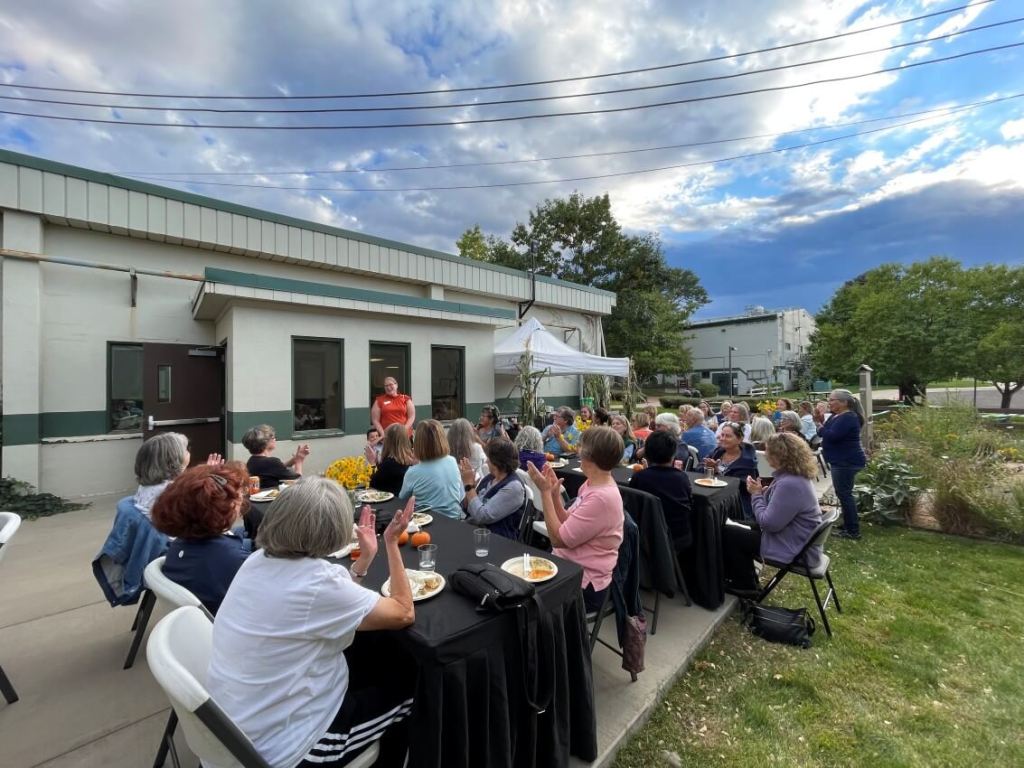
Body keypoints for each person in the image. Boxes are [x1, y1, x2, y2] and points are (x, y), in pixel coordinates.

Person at [208, 479, 416, 768]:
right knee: (413, 688)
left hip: (239, 728)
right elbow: (404, 612)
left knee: (368, 662)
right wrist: (392, 543)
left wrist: (364, 560)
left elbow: (324, 608)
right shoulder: (316, 584)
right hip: (292, 746)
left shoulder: (256, 560)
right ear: (335, 530)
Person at [527, 426, 625, 611]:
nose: (577, 449)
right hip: (567, 568)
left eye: (580, 445)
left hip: (583, 583)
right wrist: (556, 496)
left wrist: (545, 493)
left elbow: (558, 540)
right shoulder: (590, 484)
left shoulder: (602, 498)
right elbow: (567, 524)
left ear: (590, 456)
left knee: (522, 607)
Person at [722, 433, 824, 594]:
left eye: (768, 451)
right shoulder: (793, 476)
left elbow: (768, 524)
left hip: (794, 548)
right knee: (731, 523)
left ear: (779, 456)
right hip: (794, 538)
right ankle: (742, 577)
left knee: (728, 533)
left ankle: (745, 585)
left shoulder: (790, 483)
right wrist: (763, 494)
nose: (765, 454)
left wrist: (756, 495)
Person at [150, 463, 252, 615]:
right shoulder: (238, 562)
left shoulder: (178, 544)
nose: (241, 502)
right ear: (223, 509)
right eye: (238, 497)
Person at [628, 430, 693, 552]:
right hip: (679, 536)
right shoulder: (682, 477)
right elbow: (689, 503)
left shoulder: (640, 477)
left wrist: (646, 472)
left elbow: (633, 506)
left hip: (648, 537)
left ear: (647, 453)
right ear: (673, 454)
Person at [819, 389, 867, 539]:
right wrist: (822, 426)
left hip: (846, 461)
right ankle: (848, 524)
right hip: (840, 460)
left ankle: (853, 531)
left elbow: (831, 435)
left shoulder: (849, 417)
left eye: (833, 400)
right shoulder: (836, 416)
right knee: (843, 494)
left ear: (844, 402)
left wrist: (821, 427)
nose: (829, 402)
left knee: (845, 494)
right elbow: (822, 433)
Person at [461, 438, 529, 540]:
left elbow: (482, 516)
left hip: (496, 541)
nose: (487, 461)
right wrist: (471, 488)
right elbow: (466, 508)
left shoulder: (514, 488)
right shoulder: (490, 478)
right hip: (476, 532)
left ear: (496, 462)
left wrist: (469, 487)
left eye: (489, 458)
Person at [399, 420, 463, 519]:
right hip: (455, 519)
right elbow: (460, 495)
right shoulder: (452, 461)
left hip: (426, 523)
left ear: (418, 444)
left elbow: (402, 500)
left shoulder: (413, 472)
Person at [704, 422, 759, 519]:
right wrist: (708, 467)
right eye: (722, 435)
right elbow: (701, 466)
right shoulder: (718, 451)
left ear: (740, 439)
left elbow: (738, 486)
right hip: (713, 496)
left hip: (737, 503)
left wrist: (717, 472)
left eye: (728, 436)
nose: (723, 439)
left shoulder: (747, 461)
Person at [243, 424, 310, 489]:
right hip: (272, 500)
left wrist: (294, 460)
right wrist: (299, 460)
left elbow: (277, 468)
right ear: (265, 442)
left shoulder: (252, 461)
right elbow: (297, 482)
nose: (275, 439)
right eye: (273, 438)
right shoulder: (271, 462)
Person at [369, 424, 416, 495]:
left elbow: (373, 485)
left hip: (392, 503)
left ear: (388, 441)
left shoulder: (389, 463)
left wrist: (372, 463)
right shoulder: (412, 459)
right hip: (406, 502)